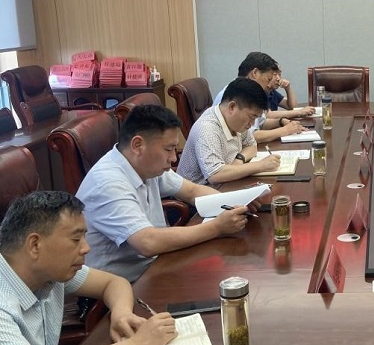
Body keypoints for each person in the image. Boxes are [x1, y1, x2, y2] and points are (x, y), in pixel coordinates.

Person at [0, 192, 177, 345]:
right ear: (35, 245)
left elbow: (113, 283)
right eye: (76, 239)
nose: (86, 248)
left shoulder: (47, 270)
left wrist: (121, 314)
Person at [79, 105, 256, 282]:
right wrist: (217, 227)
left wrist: (237, 202)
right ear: (138, 145)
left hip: (157, 263)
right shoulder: (107, 183)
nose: (173, 158)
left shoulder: (145, 164)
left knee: (228, 270)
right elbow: (147, 242)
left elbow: (192, 191)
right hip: (125, 284)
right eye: (168, 149)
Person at [178, 77, 282, 186]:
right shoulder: (207, 128)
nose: (252, 124)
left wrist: (239, 159)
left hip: (226, 184)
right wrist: (261, 165)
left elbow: (251, 145)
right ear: (232, 107)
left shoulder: (236, 122)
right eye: (252, 117)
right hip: (201, 192)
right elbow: (215, 175)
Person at [212, 52, 312, 142]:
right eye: (268, 79)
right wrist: (285, 130)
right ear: (255, 73)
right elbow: (249, 136)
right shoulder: (233, 95)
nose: (268, 85)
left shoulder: (250, 93)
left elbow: (261, 123)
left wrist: (281, 122)